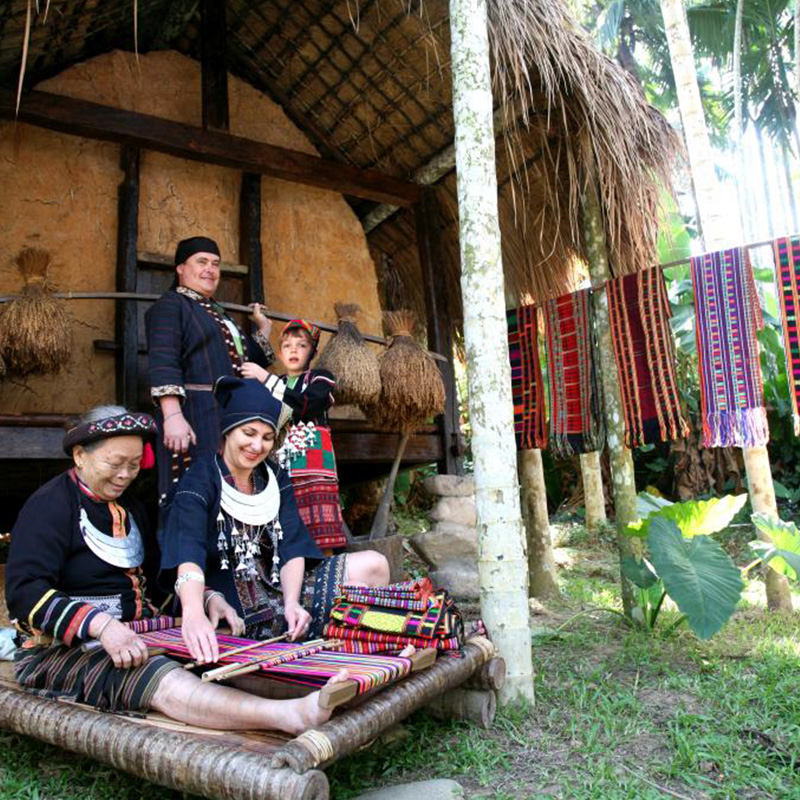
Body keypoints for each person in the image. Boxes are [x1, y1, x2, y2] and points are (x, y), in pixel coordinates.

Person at [4, 406, 345, 734]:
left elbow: (155, 586)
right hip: (61, 651)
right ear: (80, 455)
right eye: (115, 463)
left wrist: (209, 598)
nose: (125, 474)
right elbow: (24, 592)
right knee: (158, 676)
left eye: (134, 464)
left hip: (140, 634)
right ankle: (287, 716)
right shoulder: (48, 506)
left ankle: (315, 693)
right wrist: (103, 626)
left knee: (219, 653)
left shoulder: (132, 508)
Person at [160, 376, 390, 666]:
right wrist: (193, 611)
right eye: (249, 433)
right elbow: (187, 549)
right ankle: (330, 643)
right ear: (229, 431)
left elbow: (292, 544)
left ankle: (333, 640)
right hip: (233, 598)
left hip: (280, 585)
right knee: (224, 627)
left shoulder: (274, 476)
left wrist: (293, 602)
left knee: (375, 566)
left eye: (267, 437)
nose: (257, 445)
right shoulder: (201, 478)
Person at [145, 236, 275, 508]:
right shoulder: (171, 305)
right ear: (180, 268)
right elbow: (163, 360)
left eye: (215, 264)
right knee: (195, 490)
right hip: (195, 414)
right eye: (201, 262)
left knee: (227, 491)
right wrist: (173, 415)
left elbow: (243, 361)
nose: (210, 269)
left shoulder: (218, 314)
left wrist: (263, 330)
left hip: (225, 418)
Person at [242, 319, 348, 550]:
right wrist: (263, 326)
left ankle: (325, 572)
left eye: (301, 345)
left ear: (313, 352)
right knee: (287, 526)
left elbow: (306, 406)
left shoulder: (321, 379)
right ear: (279, 353)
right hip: (281, 464)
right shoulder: (276, 382)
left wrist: (265, 378)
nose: (293, 349)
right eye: (287, 345)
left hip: (314, 466)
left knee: (320, 530)